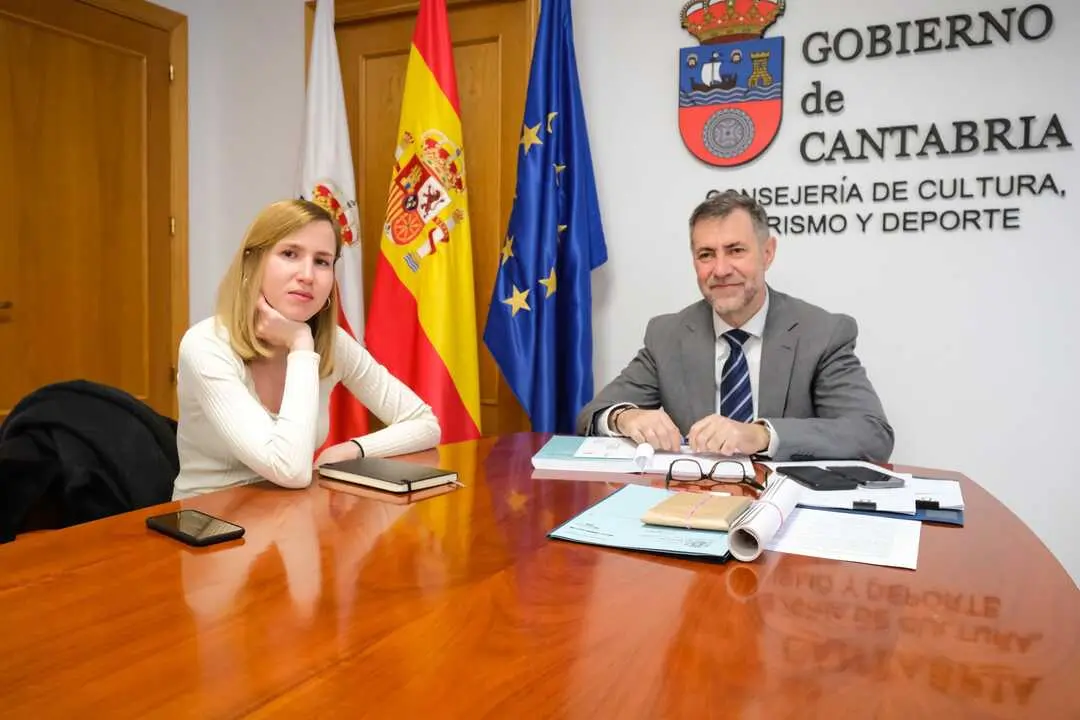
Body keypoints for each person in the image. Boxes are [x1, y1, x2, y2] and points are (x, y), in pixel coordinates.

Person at [575, 189, 893, 462]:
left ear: (767, 253)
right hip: (690, 505)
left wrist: (760, 435)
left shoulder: (821, 332)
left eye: (736, 250)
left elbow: (872, 434)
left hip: (782, 511)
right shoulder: (667, 334)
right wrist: (626, 418)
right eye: (706, 255)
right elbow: (592, 414)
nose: (721, 269)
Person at [172, 199, 440, 499]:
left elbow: (425, 423)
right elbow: (289, 470)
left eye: (322, 261)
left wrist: (355, 448)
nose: (308, 275)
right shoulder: (206, 345)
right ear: (252, 262)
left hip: (290, 518)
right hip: (209, 524)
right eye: (290, 254)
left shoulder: (332, 343)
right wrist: (300, 344)